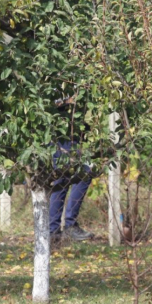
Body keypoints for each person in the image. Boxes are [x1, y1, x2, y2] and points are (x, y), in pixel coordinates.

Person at [49, 94, 95, 245]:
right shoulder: (55, 77)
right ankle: (61, 228)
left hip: (74, 134)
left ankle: (57, 230)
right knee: (68, 177)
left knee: (77, 176)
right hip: (59, 134)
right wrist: (68, 101)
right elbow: (47, 103)